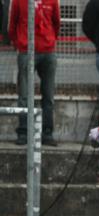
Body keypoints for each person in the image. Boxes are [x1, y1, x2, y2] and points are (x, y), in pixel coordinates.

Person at [9, 0, 60, 146]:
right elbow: (12, 24)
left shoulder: (52, 0)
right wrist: (20, 43)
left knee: (48, 95)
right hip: (26, 51)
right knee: (24, 95)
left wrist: (49, 41)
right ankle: (24, 132)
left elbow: (56, 23)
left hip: (47, 52)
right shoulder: (18, 1)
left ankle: (47, 133)